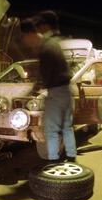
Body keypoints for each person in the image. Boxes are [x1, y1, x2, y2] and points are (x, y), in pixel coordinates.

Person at [20, 18, 77, 162]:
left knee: (51, 128)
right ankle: (71, 158)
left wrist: (32, 88)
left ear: (30, 34)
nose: (24, 42)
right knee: (66, 126)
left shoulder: (45, 47)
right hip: (66, 89)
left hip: (56, 90)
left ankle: (52, 160)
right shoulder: (52, 44)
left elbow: (46, 75)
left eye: (23, 38)